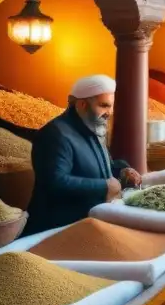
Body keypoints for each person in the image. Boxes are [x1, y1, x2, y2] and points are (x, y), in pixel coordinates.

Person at [26, 75, 142, 235]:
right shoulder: (55, 135)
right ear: (82, 104)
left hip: (89, 223)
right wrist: (104, 186)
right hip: (56, 230)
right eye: (104, 106)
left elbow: (98, 168)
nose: (110, 113)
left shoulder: (91, 125)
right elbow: (55, 182)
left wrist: (122, 170)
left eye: (111, 107)